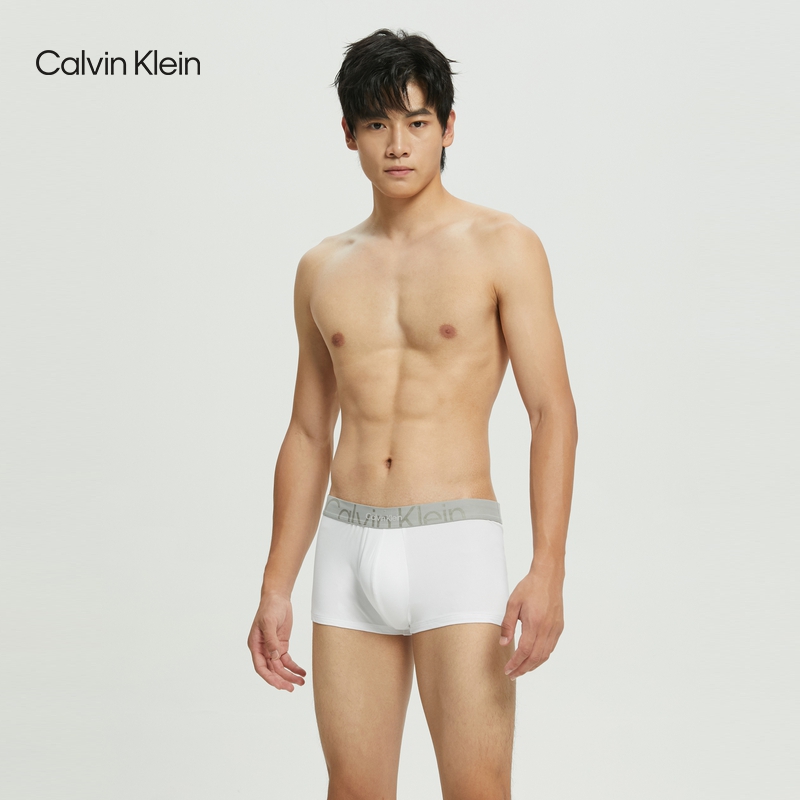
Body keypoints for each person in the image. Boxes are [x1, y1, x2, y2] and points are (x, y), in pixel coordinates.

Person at [247, 27, 578, 800]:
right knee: (353, 790)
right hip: (347, 547)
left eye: (417, 122)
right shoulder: (321, 267)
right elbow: (307, 432)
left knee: (477, 788)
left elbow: (551, 411)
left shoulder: (503, 246)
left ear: (448, 128)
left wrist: (548, 568)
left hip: (454, 547)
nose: (397, 144)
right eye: (377, 123)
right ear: (349, 133)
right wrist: (274, 584)